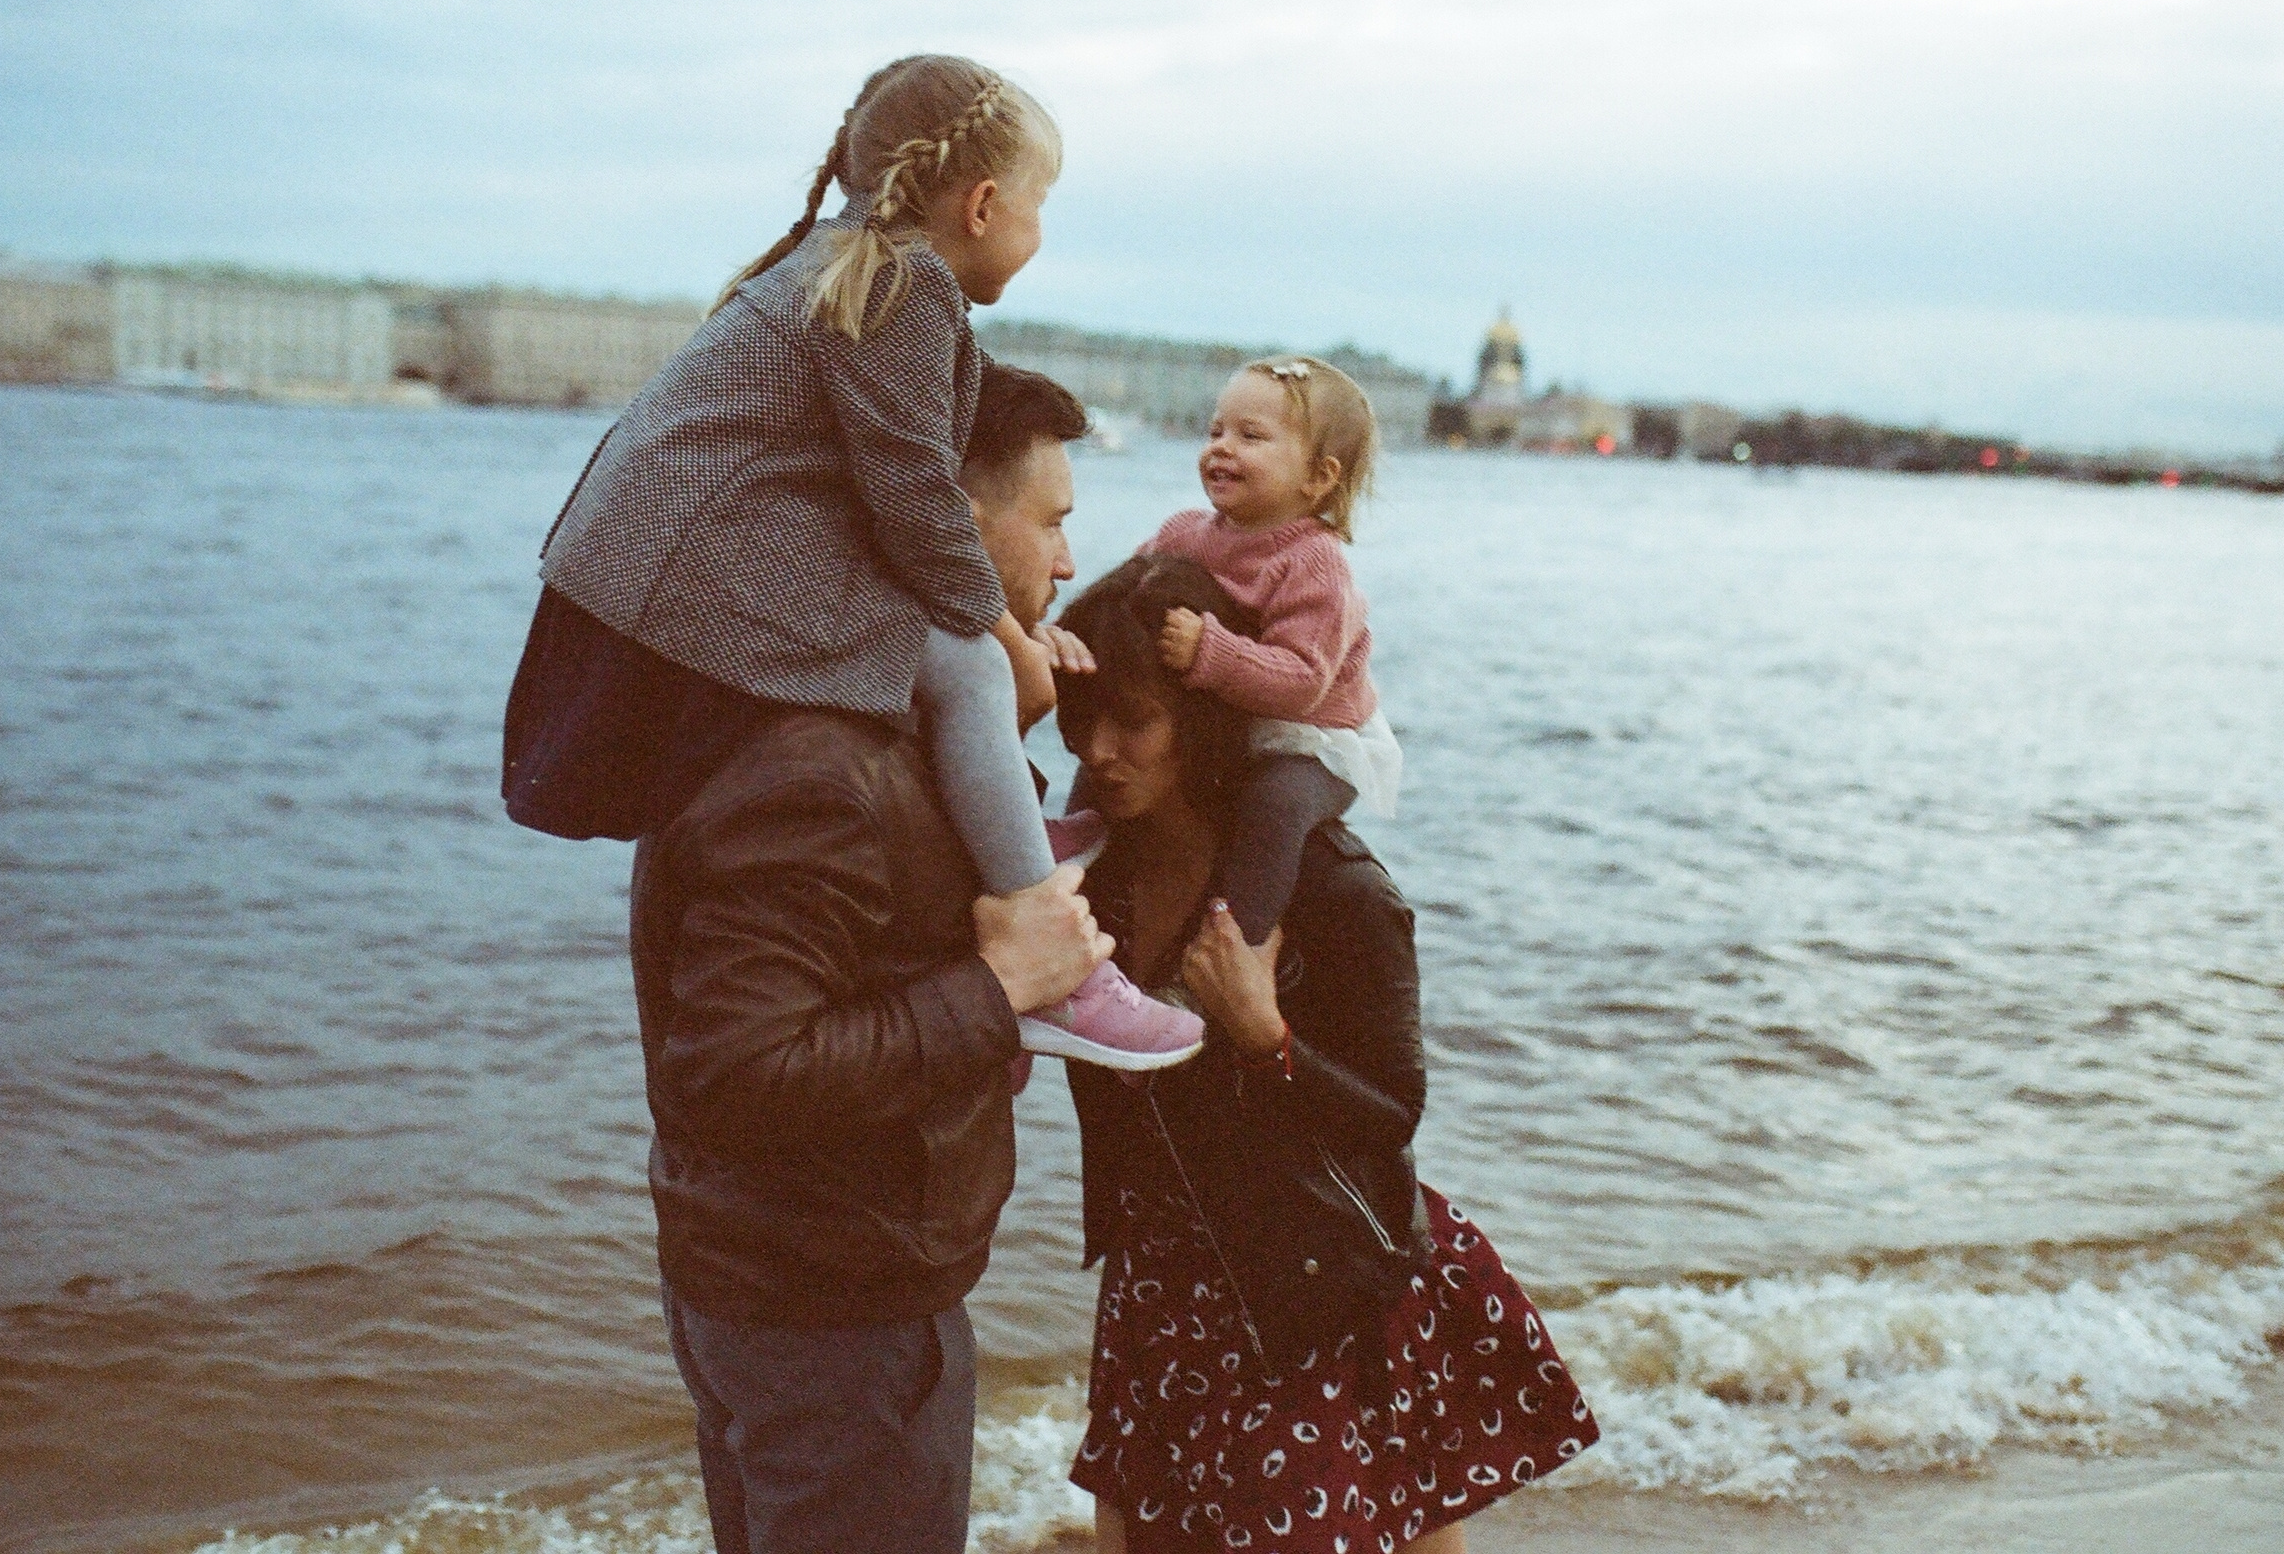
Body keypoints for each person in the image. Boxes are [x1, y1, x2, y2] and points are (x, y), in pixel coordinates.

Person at [505, 52, 1200, 1070]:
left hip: (669, 563)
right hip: (700, 570)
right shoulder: (903, 285)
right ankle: (1043, 937)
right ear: (984, 201)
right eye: (1039, 206)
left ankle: (995, 821)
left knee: (943, 649)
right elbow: (918, 501)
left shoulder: (843, 261)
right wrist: (1005, 632)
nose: (1038, 232)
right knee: (965, 661)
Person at [629, 372, 1105, 1554]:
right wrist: (1001, 992)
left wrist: (1003, 731)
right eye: (1048, 521)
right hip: (834, 1315)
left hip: (789, 1282)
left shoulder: (834, 709)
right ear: (942, 516)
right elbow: (734, 1072)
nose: (1066, 562)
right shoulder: (816, 760)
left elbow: (884, 916)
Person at [1051, 555, 1599, 1554]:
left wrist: (1267, 1038)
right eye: (1080, 717)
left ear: (1201, 715)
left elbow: (1392, 1110)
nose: (1098, 748)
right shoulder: (1097, 874)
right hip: (1160, 1278)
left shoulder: (1332, 886)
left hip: (1306, 1273)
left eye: (1131, 719)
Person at [1133, 355, 1399, 950]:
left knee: (1275, 801)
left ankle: (1232, 945)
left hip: (1315, 740)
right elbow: (1124, 596)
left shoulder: (1315, 563)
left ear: (1318, 477)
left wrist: (1212, 651)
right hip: (1231, 720)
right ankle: (1085, 840)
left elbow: (1303, 680)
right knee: (1126, 744)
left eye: (1250, 436)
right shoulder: (1185, 533)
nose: (1222, 447)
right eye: (1216, 431)